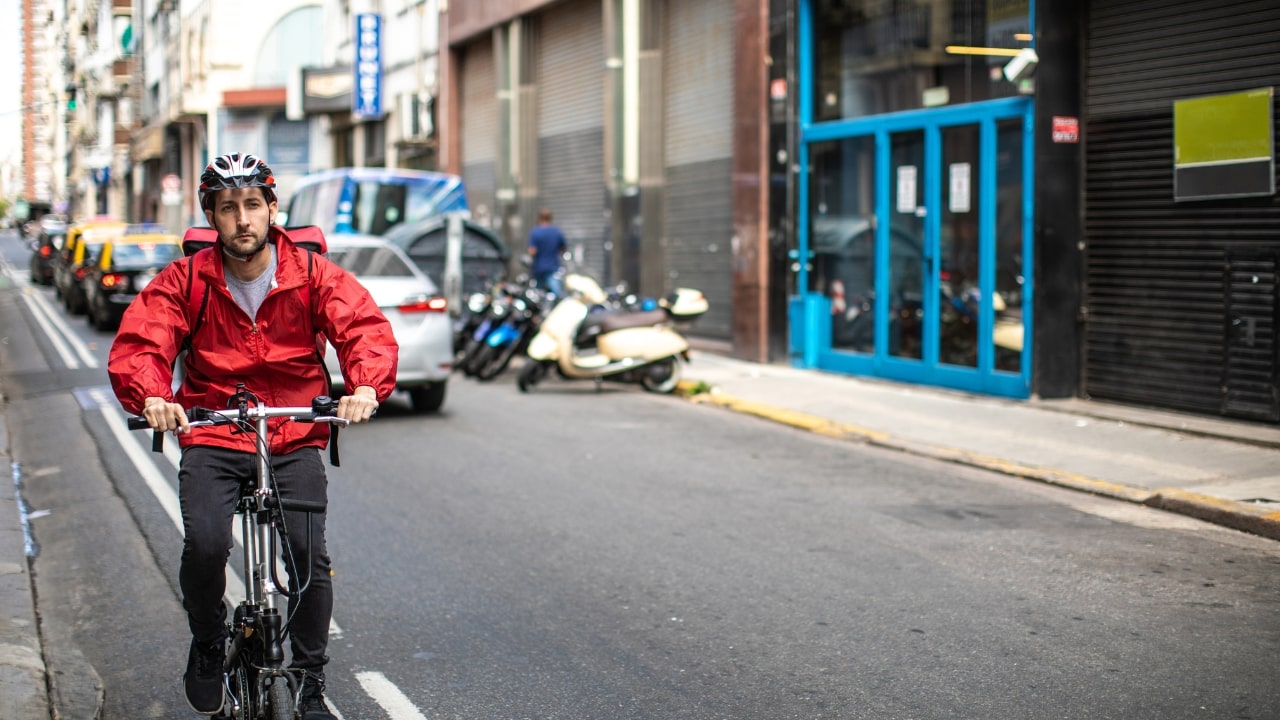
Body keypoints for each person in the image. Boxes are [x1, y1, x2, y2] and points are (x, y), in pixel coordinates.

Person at [107, 153, 398, 719]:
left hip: (292, 431)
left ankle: (311, 681)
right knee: (208, 545)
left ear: (271, 210)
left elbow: (363, 328)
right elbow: (143, 342)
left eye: (252, 206)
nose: (242, 219)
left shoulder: (313, 275)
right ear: (212, 218)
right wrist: (156, 398)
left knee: (310, 559)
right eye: (227, 208)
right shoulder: (184, 280)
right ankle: (209, 643)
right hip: (214, 429)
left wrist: (364, 387)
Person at [527, 207, 567, 295]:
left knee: (537, 295)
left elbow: (532, 251)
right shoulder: (556, 232)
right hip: (553, 267)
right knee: (556, 295)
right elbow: (563, 249)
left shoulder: (535, 232)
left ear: (539, 218)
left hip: (539, 269)